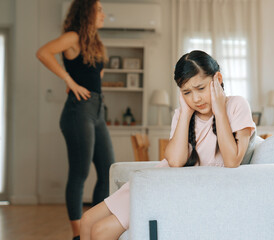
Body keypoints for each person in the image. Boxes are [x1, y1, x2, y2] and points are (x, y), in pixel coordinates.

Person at [79, 50, 256, 239]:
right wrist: (185, 114)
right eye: (187, 92)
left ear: (217, 79)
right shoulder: (183, 114)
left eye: (201, 88)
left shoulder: (237, 105)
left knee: (100, 230)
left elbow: (232, 161)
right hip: (157, 179)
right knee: (87, 220)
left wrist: (219, 111)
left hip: (175, 188)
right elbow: (174, 160)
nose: (195, 99)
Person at [36, 1, 114, 239]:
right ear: (86, 11)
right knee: (80, 173)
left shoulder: (97, 44)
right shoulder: (73, 37)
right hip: (78, 112)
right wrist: (69, 81)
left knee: (107, 169)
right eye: (98, 9)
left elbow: (95, 75)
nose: (103, 13)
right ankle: (78, 234)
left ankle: (94, 227)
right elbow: (43, 52)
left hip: (97, 110)